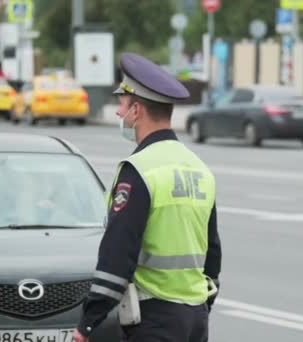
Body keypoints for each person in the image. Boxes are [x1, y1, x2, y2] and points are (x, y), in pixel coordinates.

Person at [73, 53, 222, 342]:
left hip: (155, 319)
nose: (118, 113)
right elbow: (212, 253)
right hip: (195, 320)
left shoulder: (140, 170)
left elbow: (118, 253)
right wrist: (202, 306)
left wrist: (88, 323)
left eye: (121, 104)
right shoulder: (199, 168)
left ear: (137, 110)